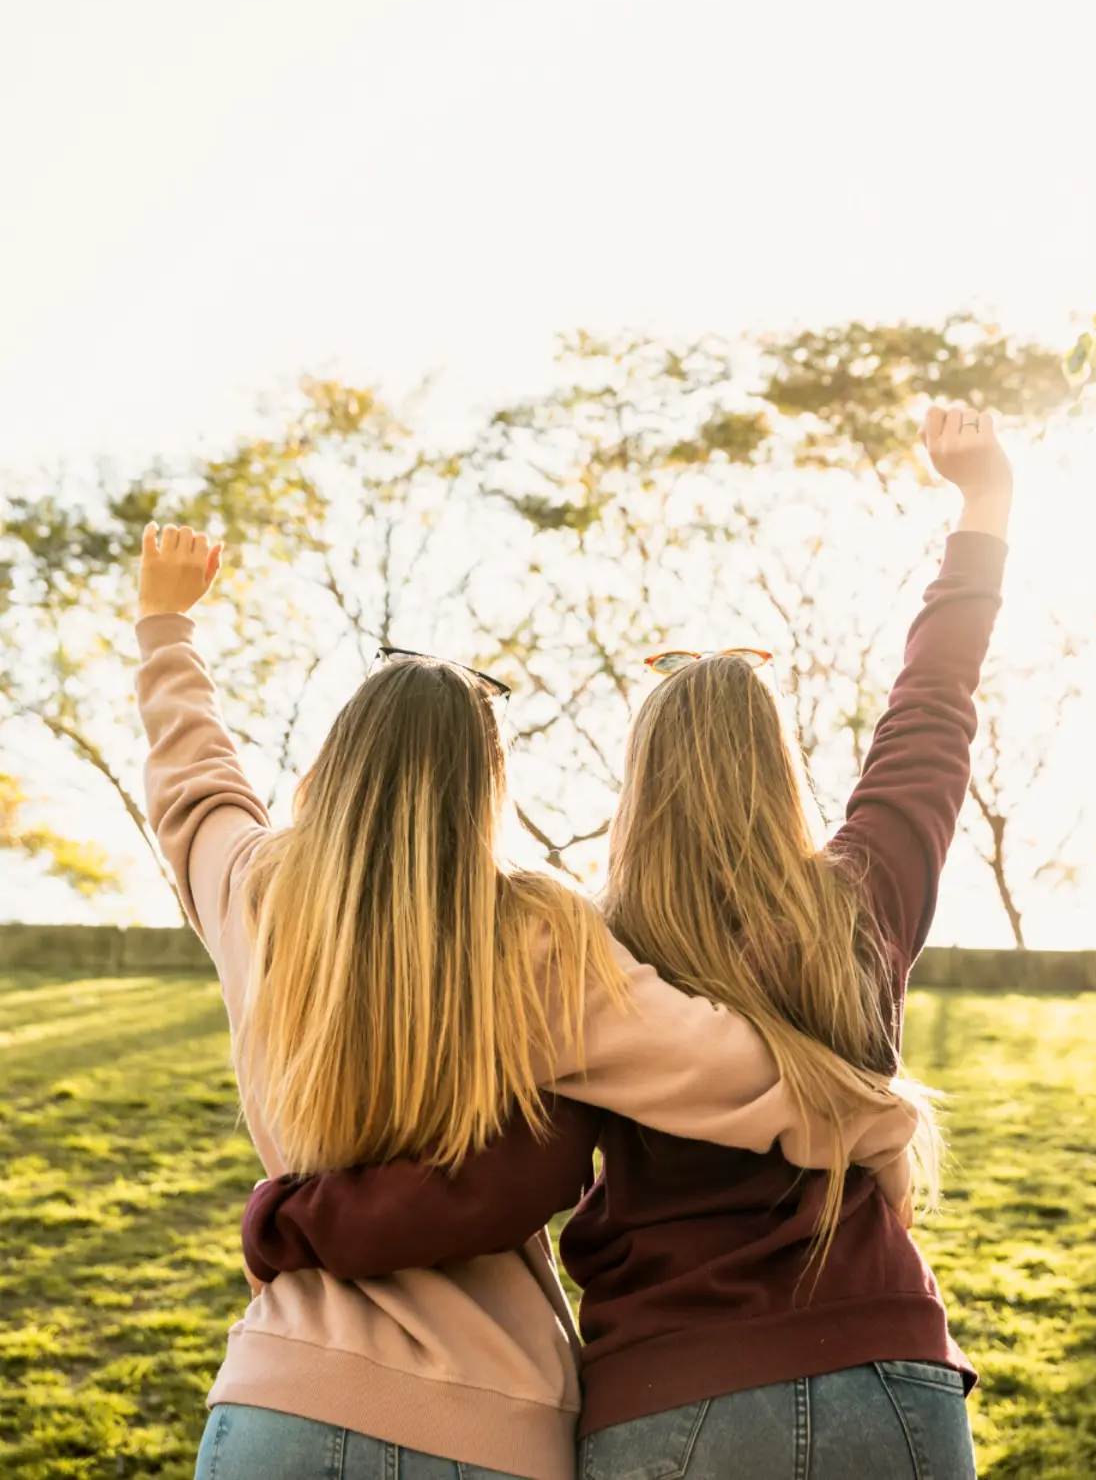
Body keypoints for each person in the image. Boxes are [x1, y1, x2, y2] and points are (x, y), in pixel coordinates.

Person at [239, 403, 1010, 1480]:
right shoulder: (862, 902)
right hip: (886, 1373)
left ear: (640, 785)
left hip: (666, 1403)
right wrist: (984, 508)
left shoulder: (589, 954)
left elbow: (502, 1172)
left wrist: (295, 1217)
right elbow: (933, 713)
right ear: (778, 767)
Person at [133, 521, 919, 1480]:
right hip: (488, 1422)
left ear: (333, 760)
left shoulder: (247, 891)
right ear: (486, 783)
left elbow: (192, 779)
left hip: (275, 1403)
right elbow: (728, 1067)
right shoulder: (539, 934)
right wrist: (875, 1122)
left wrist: (166, 624)